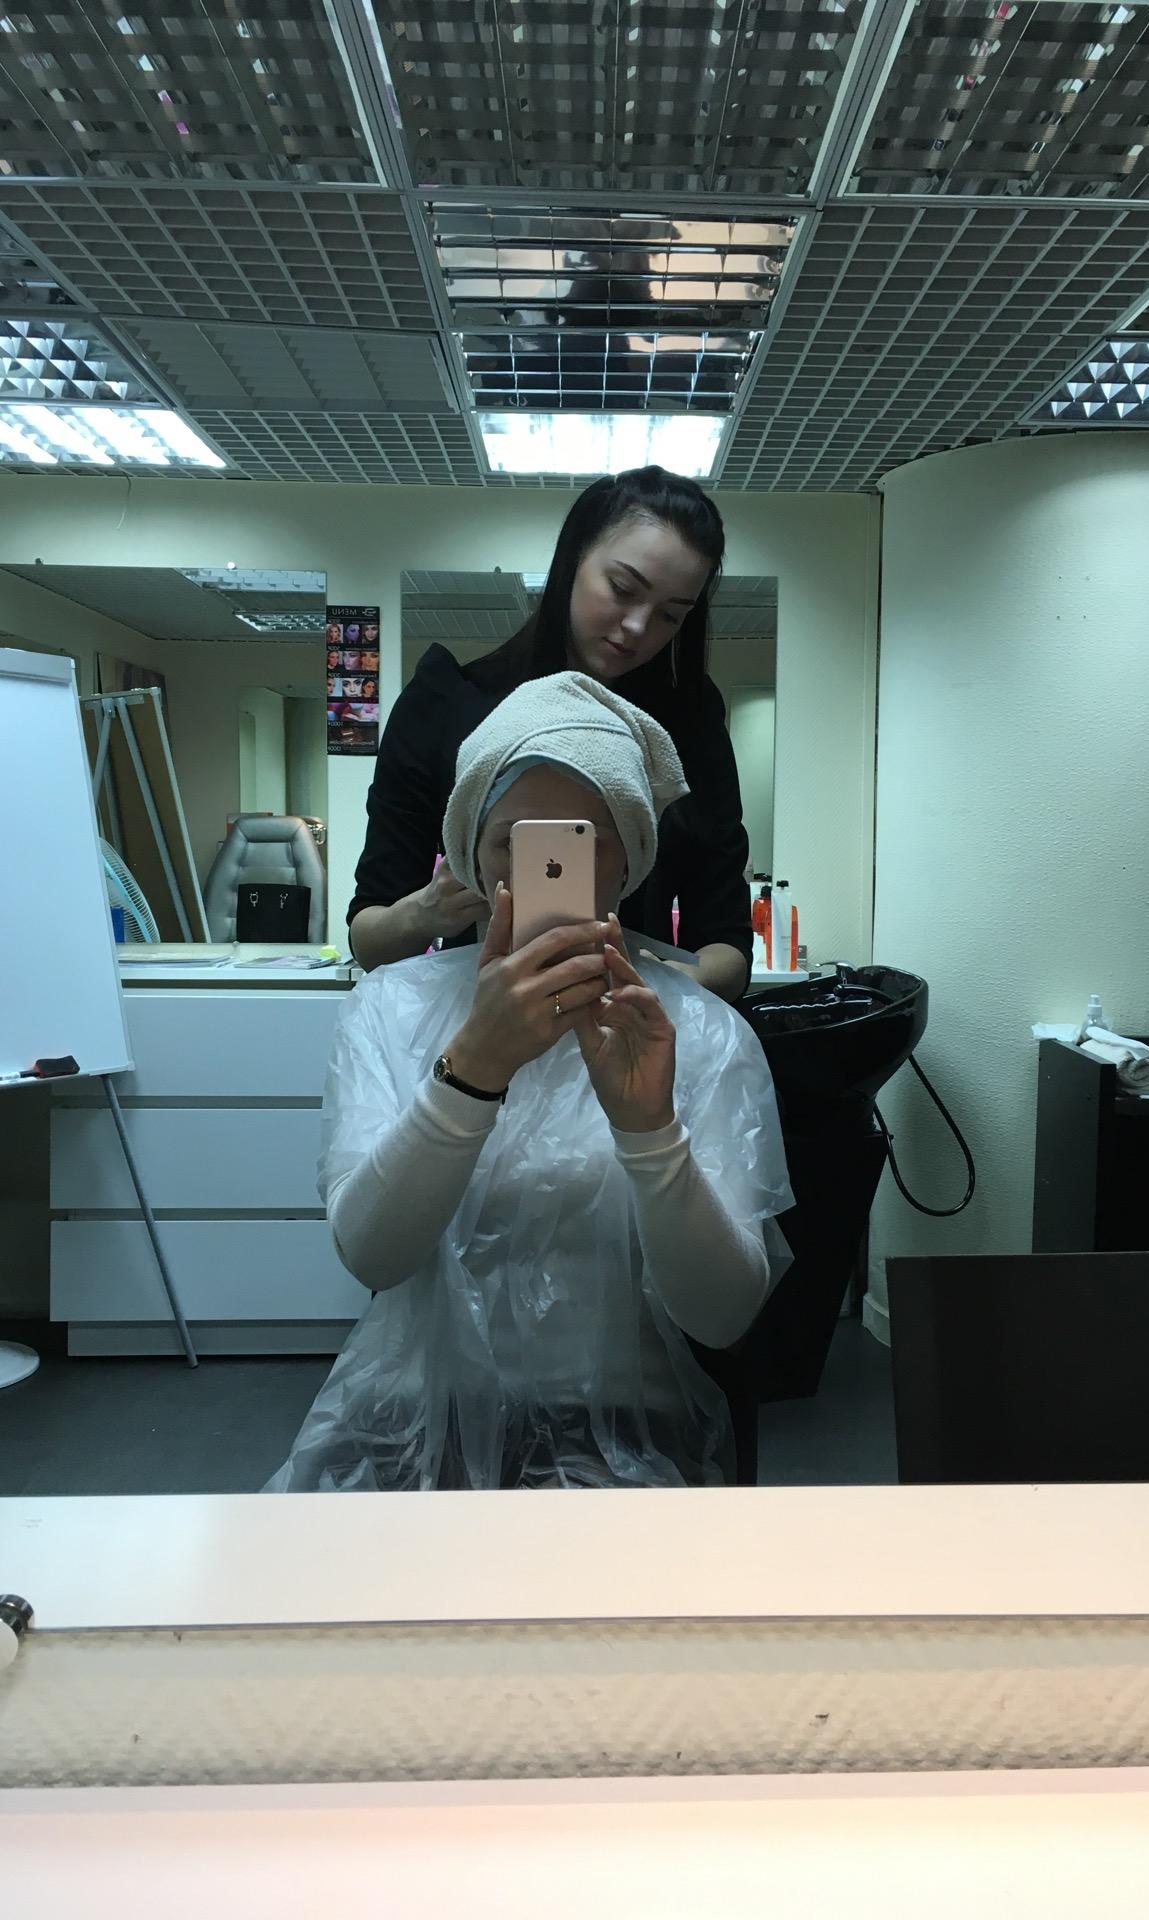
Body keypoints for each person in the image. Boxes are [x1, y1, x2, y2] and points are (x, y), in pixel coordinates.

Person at [266, 672, 791, 1493]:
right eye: (511, 838)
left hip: (633, 1438)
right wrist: (472, 1073)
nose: (537, 867)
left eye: (578, 841)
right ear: (469, 853)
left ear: (629, 860)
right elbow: (372, 1255)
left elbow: (723, 1316)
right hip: (412, 1431)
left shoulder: (700, 1033)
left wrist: (650, 1132)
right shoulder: (392, 1010)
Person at [348, 465, 754, 1002]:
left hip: (631, 1026)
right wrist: (427, 910)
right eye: (622, 589)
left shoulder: (687, 727)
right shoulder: (444, 703)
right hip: (478, 1026)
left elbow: (727, 944)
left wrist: (679, 984)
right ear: (572, 560)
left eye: (670, 616)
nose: (638, 627)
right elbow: (369, 940)